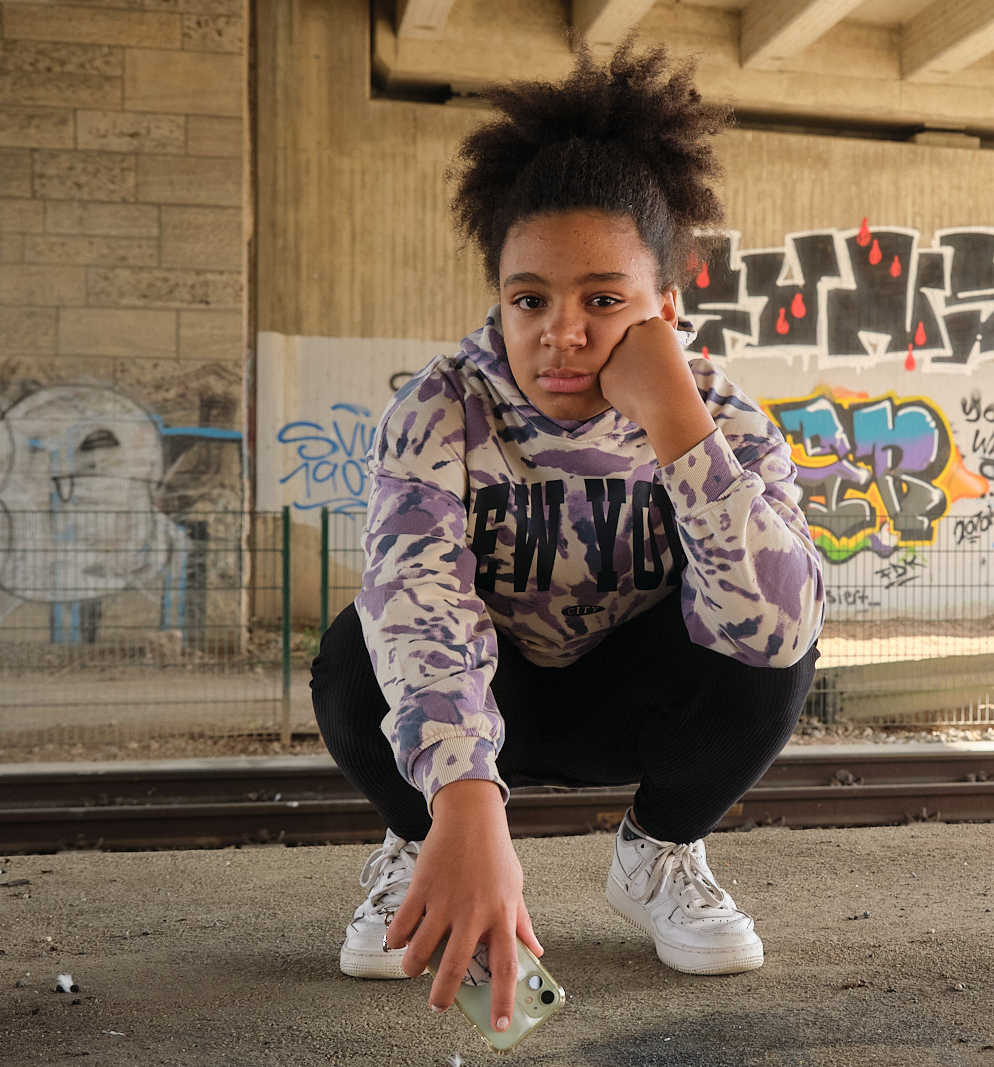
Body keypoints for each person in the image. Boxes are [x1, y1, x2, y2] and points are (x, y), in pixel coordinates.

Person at [309, 39, 824, 1033]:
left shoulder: (721, 411)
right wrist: (461, 798)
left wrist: (679, 427)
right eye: (529, 298)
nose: (562, 332)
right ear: (497, 298)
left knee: (782, 636)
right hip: (495, 698)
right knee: (352, 656)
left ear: (666, 306)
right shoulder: (441, 405)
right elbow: (416, 592)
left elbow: (774, 628)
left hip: (633, 703)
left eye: (603, 298)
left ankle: (660, 853)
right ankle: (423, 847)